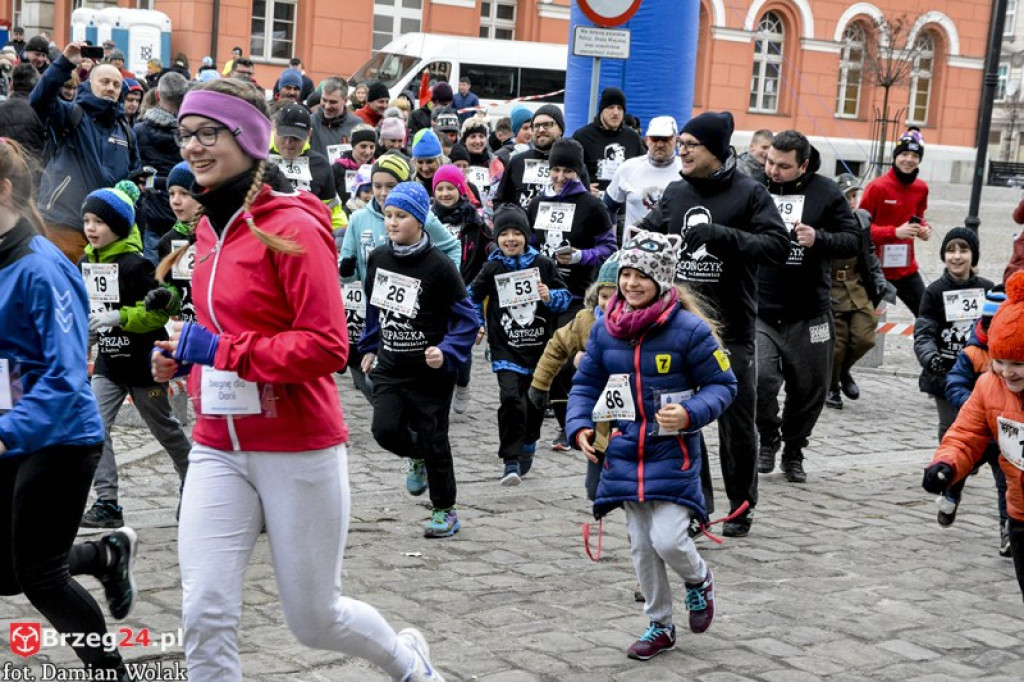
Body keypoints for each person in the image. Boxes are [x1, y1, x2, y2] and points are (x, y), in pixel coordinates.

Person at [150, 78, 446, 681]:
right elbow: (224, 332)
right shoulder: (206, 229)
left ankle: (410, 666)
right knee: (204, 612)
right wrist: (187, 358)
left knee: (314, 619)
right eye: (186, 135)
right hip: (216, 445)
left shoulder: (294, 225)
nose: (195, 148)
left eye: (211, 133)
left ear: (251, 138)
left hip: (296, 446)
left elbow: (326, 345)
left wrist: (222, 349)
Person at [0, 137, 141, 682]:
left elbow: (63, 378)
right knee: (8, 574)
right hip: (16, 429)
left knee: (39, 577)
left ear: (5, 190)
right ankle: (105, 555)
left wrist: (5, 430)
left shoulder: (45, 269)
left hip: (61, 436)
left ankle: (111, 674)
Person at [567, 230, 737, 660]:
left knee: (668, 540)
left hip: (673, 457)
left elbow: (722, 384)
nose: (631, 283)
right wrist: (580, 425)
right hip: (624, 456)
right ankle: (659, 624)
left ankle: (699, 579)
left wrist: (690, 413)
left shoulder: (690, 330)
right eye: (626, 274)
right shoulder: (607, 329)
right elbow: (586, 383)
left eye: (641, 275)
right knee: (642, 547)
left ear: (661, 280)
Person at [636, 111, 789, 536]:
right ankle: (695, 506)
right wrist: (637, 241)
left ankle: (741, 505)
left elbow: (777, 246)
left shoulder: (749, 193)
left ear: (716, 151)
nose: (681, 151)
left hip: (731, 328)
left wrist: (722, 235)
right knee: (680, 419)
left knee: (736, 422)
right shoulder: (676, 191)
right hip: (678, 327)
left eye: (690, 144)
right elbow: (648, 237)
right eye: (680, 143)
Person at [359, 181, 477, 537]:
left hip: (430, 371)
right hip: (392, 366)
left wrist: (447, 351)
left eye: (402, 216)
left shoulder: (439, 266)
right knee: (384, 430)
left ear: (421, 220)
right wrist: (368, 346)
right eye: (389, 216)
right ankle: (417, 455)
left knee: (435, 436)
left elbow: (467, 320)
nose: (392, 223)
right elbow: (373, 309)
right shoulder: (379, 258)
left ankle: (445, 510)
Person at [78, 184, 191, 528]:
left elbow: (156, 315)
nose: (91, 228)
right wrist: (89, 329)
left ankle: (195, 482)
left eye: (99, 221)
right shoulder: (85, 262)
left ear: (119, 225)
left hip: (145, 364)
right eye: (86, 221)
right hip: (109, 365)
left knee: (166, 429)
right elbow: (90, 308)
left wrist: (120, 317)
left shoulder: (136, 266)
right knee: (94, 427)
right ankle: (108, 503)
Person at [755, 130, 861, 484]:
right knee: (760, 380)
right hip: (762, 310)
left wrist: (819, 239)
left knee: (809, 388)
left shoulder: (826, 192)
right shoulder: (755, 188)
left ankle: (794, 449)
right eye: (770, 162)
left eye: (783, 166)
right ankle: (767, 437)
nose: (773, 171)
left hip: (810, 312)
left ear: (803, 164)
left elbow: (853, 240)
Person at [922, 270, 1024, 603]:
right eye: (1000, 361)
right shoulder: (988, 385)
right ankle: (963, 503)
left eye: (1018, 364)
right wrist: (945, 465)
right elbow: (964, 435)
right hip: (1021, 510)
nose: (1008, 372)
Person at [339, 154, 461, 402]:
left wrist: (448, 281)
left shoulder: (418, 215)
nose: (383, 193)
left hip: (414, 313)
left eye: (391, 186)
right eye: (377, 185)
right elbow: (348, 271)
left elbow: (452, 247)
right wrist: (346, 268)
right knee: (367, 374)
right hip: (372, 308)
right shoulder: (359, 219)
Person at [525, 138, 616, 451]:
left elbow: (609, 248)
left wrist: (580, 256)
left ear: (578, 172)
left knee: (565, 361)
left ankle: (569, 427)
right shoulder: (538, 203)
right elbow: (528, 244)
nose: (561, 176)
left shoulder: (592, 206)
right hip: (543, 292)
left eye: (567, 170)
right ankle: (541, 424)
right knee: (544, 356)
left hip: (577, 293)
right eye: (556, 170)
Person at [468, 206, 570, 484]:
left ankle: (529, 444)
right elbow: (472, 297)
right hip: (505, 347)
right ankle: (510, 461)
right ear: (496, 238)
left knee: (534, 403)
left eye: (517, 233)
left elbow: (564, 297)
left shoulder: (544, 264)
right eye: (504, 234)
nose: (510, 239)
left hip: (539, 350)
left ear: (526, 235)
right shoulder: (492, 267)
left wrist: (549, 295)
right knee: (510, 399)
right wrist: (477, 323)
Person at [31, 41, 138, 263]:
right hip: (64, 224)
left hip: (109, 234)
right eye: (105, 82)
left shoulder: (126, 131)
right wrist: (64, 63)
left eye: (117, 85)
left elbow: (133, 172)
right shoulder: (72, 114)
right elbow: (39, 99)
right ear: (90, 84)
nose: (111, 88)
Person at [531, 256, 619, 500]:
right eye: (604, 296)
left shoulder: (641, 325)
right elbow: (557, 345)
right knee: (594, 489)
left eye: (616, 296)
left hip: (631, 415)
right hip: (598, 411)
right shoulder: (586, 319)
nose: (608, 303)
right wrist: (540, 383)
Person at [943, 289, 1011, 556]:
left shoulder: (1014, 354)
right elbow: (954, 382)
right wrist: (975, 404)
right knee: (960, 468)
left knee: (1006, 486)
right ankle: (950, 498)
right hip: (977, 432)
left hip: (1005, 437)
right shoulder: (972, 352)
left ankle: (1007, 532)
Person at [914, 227, 993, 447]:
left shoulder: (987, 289)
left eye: (963, 250)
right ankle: (951, 466)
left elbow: (997, 331)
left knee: (979, 423)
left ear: (973, 255)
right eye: (950, 250)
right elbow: (924, 332)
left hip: (980, 372)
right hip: (944, 372)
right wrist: (931, 358)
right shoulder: (934, 291)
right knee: (949, 425)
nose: (956, 256)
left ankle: (971, 457)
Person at [826, 173, 889, 410]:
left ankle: (843, 373)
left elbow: (869, 252)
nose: (851, 201)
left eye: (854, 196)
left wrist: (878, 277)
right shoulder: (826, 222)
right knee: (837, 345)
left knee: (865, 338)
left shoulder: (862, 219)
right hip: (833, 288)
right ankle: (831, 387)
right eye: (846, 197)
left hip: (857, 287)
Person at [860, 129, 932, 316]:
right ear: (895, 156)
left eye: (915, 155)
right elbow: (859, 228)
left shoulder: (921, 188)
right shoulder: (877, 187)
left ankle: (927, 346)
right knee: (865, 326)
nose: (909, 159)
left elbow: (919, 216)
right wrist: (894, 232)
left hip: (905, 269)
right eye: (904, 154)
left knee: (928, 314)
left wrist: (924, 229)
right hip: (875, 269)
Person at [134, 71, 189, 263]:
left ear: (157, 95)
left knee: (154, 278)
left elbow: (135, 171)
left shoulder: (139, 131)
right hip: (185, 211)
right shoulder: (191, 134)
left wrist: (153, 183)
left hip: (152, 213)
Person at [495, 105, 591, 210]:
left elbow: (585, 206)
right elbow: (500, 202)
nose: (541, 129)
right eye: (536, 125)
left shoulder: (574, 164)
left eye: (547, 125)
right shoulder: (517, 162)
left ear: (560, 129)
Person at [269, 102, 345, 230]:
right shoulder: (258, 157)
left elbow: (331, 209)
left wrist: (342, 234)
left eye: (296, 138)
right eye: (284, 136)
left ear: (309, 134)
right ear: (274, 127)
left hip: (306, 236)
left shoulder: (320, 164)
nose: (289, 143)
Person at [604, 115, 683, 230]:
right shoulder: (628, 168)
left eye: (666, 139)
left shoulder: (687, 171)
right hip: (634, 246)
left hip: (674, 245)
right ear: (647, 140)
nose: (660, 144)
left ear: (676, 140)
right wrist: (611, 240)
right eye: (655, 139)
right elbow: (608, 207)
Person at [150, 161, 200, 325]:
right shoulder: (168, 241)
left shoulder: (219, 235)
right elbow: (173, 286)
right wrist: (167, 298)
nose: (175, 201)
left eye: (184, 194)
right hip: (187, 327)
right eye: (171, 194)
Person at [572, 87, 645, 196]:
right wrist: (581, 187)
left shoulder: (633, 138)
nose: (616, 112)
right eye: (611, 107)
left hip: (623, 205)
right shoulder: (582, 136)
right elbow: (568, 170)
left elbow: (644, 169)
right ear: (602, 110)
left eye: (620, 108)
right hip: (592, 204)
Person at [0, 63, 45, 162]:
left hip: (5, 167)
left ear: (11, 84)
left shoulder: (1, 109)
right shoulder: (41, 111)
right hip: (33, 170)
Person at [309, 77, 360, 160]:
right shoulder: (310, 123)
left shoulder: (357, 125)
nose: (327, 106)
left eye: (333, 102)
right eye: (324, 100)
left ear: (345, 100)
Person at [411, 129, 445, 197]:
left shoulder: (451, 182)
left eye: (430, 162)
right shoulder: (410, 186)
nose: (425, 168)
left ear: (439, 161)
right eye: (420, 162)